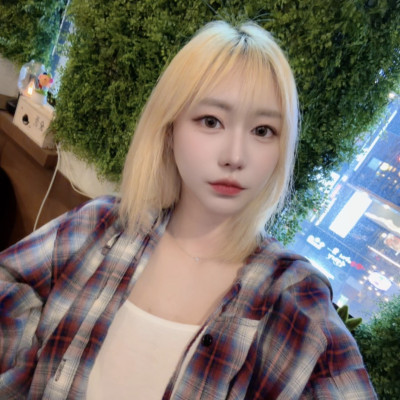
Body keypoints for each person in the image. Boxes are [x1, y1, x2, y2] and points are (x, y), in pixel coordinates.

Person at [0, 20, 377, 399]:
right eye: (211, 121)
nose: (235, 156)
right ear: (169, 129)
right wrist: (25, 371)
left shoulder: (294, 301)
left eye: (263, 130)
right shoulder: (103, 225)